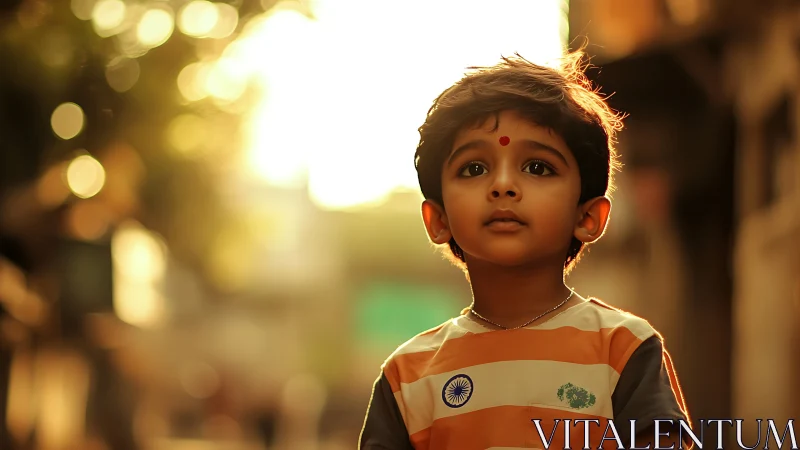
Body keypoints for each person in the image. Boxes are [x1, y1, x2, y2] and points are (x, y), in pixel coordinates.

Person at [358, 50, 692, 450]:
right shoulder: (407, 377)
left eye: (537, 167)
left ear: (587, 216)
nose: (502, 185)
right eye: (474, 168)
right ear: (438, 219)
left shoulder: (624, 350)